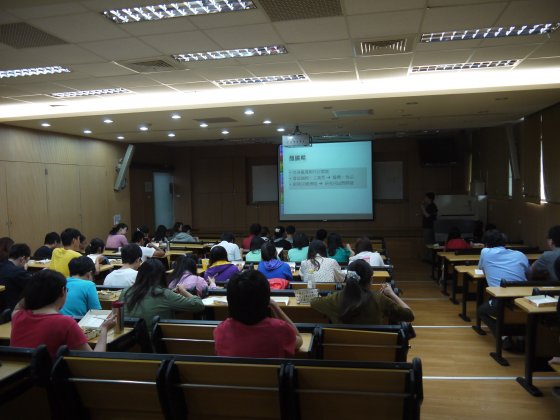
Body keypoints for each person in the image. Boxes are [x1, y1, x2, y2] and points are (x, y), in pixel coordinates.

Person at [10, 269, 115, 358]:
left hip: (19, 374)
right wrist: (104, 328)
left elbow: (20, 305)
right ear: (63, 291)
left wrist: (38, 288)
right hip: (49, 375)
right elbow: (93, 359)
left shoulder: (17, 316)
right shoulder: (65, 323)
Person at [213, 270, 303, 358]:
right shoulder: (279, 329)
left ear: (230, 301)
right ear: (265, 299)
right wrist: (275, 307)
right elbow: (299, 341)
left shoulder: (221, 330)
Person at [310, 259, 414, 324]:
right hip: (374, 351)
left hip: (341, 351)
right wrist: (392, 294)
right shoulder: (380, 300)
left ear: (347, 279)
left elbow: (313, 302)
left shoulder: (334, 299)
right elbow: (409, 315)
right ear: (370, 280)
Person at [119, 259, 204, 331]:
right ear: (161, 276)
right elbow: (198, 305)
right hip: (155, 341)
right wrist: (184, 291)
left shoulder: (125, 292)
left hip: (129, 340)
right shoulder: (164, 294)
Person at [0, 244, 32, 310]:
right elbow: (33, 287)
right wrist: (24, 270)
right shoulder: (19, 272)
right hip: (12, 308)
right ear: (22, 259)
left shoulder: (2, 265)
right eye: (27, 261)